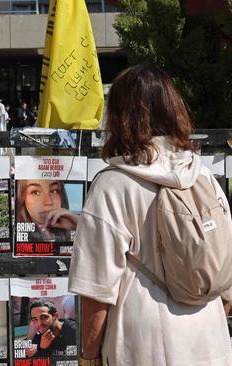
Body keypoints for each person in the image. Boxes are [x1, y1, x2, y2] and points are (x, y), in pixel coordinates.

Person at [68, 64, 232, 365]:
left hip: (141, 344)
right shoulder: (203, 177)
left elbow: (96, 290)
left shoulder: (112, 185)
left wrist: (88, 357)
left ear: (118, 118)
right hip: (209, 338)